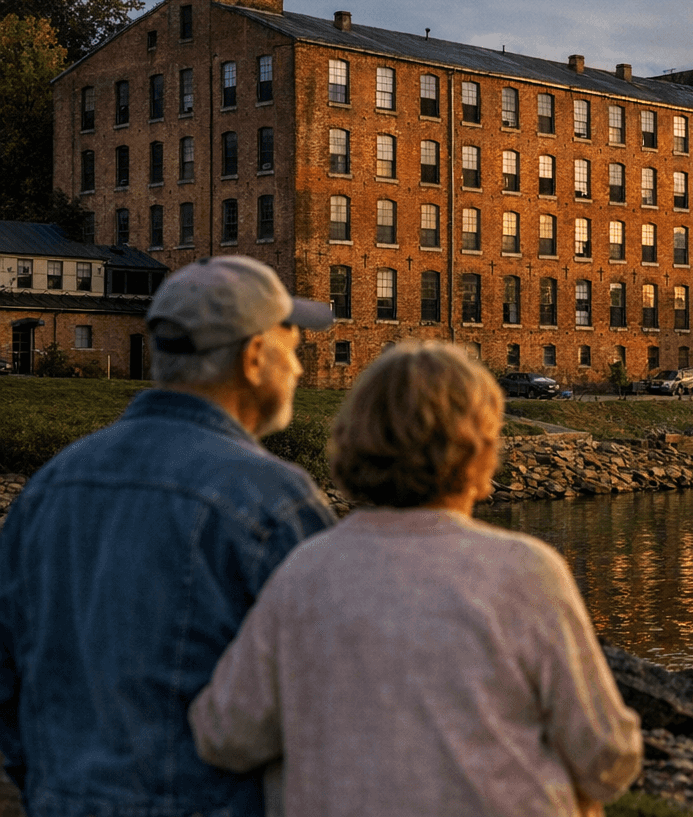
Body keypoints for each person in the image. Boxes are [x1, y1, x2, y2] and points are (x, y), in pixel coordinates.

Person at [189, 340, 642, 817]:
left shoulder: (304, 573)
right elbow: (607, 755)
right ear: (480, 455)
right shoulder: (526, 573)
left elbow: (225, 734)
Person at [0, 255, 336, 817]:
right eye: (293, 348)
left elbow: (7, 677)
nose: (298, 369)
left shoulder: (50, 486)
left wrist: (47, 784)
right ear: (255, 357)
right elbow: (330, 692)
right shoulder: (273, 500)